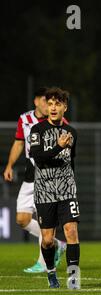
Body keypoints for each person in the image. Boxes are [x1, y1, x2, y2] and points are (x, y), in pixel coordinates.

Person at [3, 87, 66, 273]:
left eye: (53, 102)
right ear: (37, 101)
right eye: (47, 101)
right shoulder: (25, 119)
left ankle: (43, 263)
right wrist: (9, 165)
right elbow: (19, 142)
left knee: (44, 217)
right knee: (22, 219)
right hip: (30, 174)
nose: (50, 106)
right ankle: (56, 244)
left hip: (48, 175)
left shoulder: (58, 120)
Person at [29, 87, 80, 289]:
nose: (53, 108)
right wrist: (58, 146)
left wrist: (72, 183)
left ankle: (73, 279)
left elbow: (71, 161)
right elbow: (38, 158)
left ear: (65, 107)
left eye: (57, 104)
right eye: (50, 104)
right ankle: (51, 273)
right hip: (45, 190)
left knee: (71, 231)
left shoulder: (72, 132)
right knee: (48, 240)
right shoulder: (37, 130)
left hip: (67, 189)